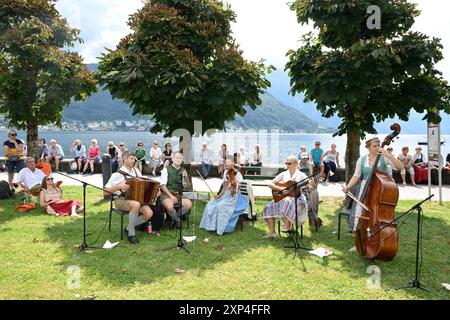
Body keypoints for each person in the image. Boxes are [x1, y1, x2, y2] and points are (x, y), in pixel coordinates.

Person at [342, 137, 404, 231]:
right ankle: (358, 232)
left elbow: (401, 167)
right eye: (374, 146)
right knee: (359, 209)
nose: (378, 147)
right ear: (368, 147)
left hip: (380, 189)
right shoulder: (362, 160)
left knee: (378, 210)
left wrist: (389, 155)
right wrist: (348, 187)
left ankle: (378, 230)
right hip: (365, 187)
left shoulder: (384, 158)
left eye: (378, 145)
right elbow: (356, 176)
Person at [105, 152, 153, 244]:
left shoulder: (136, 171)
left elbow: (144, 184)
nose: (134, 160)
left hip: (136, 198)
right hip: (120, 199)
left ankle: (128, 227)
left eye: (134, 159)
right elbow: (104, 192)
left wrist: (154, 191)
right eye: (131, 158)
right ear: (125, 159)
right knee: (136, 204)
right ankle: (131, 234)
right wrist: (119, 186)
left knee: (149, 213)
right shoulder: (117, 174)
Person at [262, 155, 308, 239]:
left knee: (288, 201)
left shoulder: (301, 175)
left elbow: (310, 185)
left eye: (289, 163)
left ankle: (287, 225)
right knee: (267, 207)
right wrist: (281, 188)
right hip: (283, 198)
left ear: (295, 164)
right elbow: (270, 184)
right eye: (286, 163)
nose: (287, 165)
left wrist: (312, 184)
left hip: (297, 198)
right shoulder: (283, 174)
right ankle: (272, 232)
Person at [200, 157, 248, 235]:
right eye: (226, 162)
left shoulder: (237, 174)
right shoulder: (226, 172)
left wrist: (233, 189)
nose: (228, 164)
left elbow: (237, 187)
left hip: (234, 195)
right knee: (211, 203)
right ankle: (212, 226)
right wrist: (219, 196)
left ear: (233, 163)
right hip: (226, 194)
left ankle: (222, 227)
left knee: (220, 206)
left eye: (229, 162)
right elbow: (225, 187)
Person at [160, 151, 192, 228]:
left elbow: (187, 187)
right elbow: (162, 185)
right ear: (173, 158)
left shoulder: (183, 171)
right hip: (167, 194)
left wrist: (186, 178)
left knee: (188, 204)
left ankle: (173, 218)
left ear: (182, 160)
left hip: (179, 194)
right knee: (170, 206)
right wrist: (171, 196)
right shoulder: (166, 169)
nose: (178, 159)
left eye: (180, 158)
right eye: (176, 157)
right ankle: (177, 220)